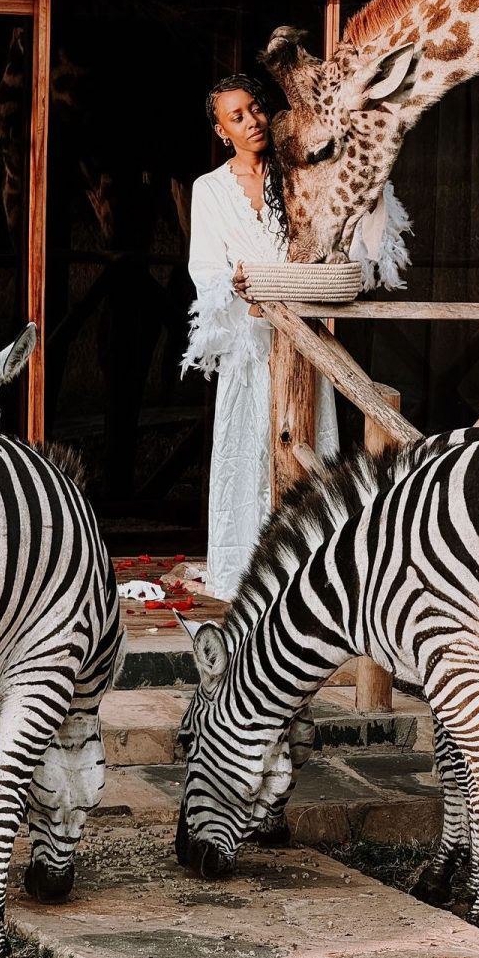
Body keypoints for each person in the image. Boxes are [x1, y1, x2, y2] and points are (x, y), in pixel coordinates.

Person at [180, 73, 341, 602]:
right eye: (237, 117)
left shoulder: (297, 176)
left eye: (255, 109)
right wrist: (236, 286)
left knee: (309, 447)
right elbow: (204, 267)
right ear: (221, 130)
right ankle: (249, 571)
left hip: (304, 339)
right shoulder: (209, 189)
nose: (252, 122)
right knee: (248, 452)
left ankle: (315, 571)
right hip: (249, 344)